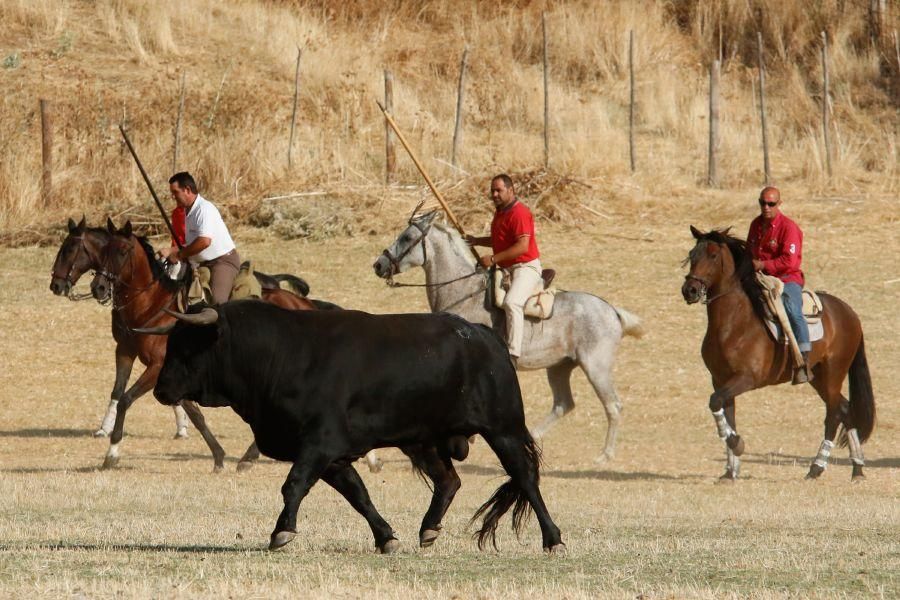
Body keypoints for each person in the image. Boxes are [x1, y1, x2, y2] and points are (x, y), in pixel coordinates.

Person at [465, 174, 541, 368]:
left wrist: (492, 259)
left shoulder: (519, 213)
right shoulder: (500, 212)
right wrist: (477, 241)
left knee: (512, 302)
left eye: (498, 190)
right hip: (506, 267)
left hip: (525, 267)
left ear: (511, 190)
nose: (495, 194)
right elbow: (499, 241)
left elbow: (522, 246)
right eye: (492, 190)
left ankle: (513, 354)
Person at [747, 186, 812, 384]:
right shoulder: (756, 225)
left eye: (771, 204)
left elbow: (790, 262)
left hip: (786, 278)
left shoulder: (789, 228)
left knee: (792, 308)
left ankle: (803, 359)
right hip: (760, 277)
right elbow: (750, 250)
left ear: (779, 204)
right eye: (762, 203)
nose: (766, 207)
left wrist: (763, 264)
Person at [157, 172, 240, 304]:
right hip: (202, 263)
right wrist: (171, 251)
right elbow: (191, 244)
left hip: (223, 261)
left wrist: (178, 254)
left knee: (217, 304)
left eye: (175, 192)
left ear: (187, 190)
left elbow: (204, 242)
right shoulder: (188, 211)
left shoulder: (204, 209)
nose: (173, 197)